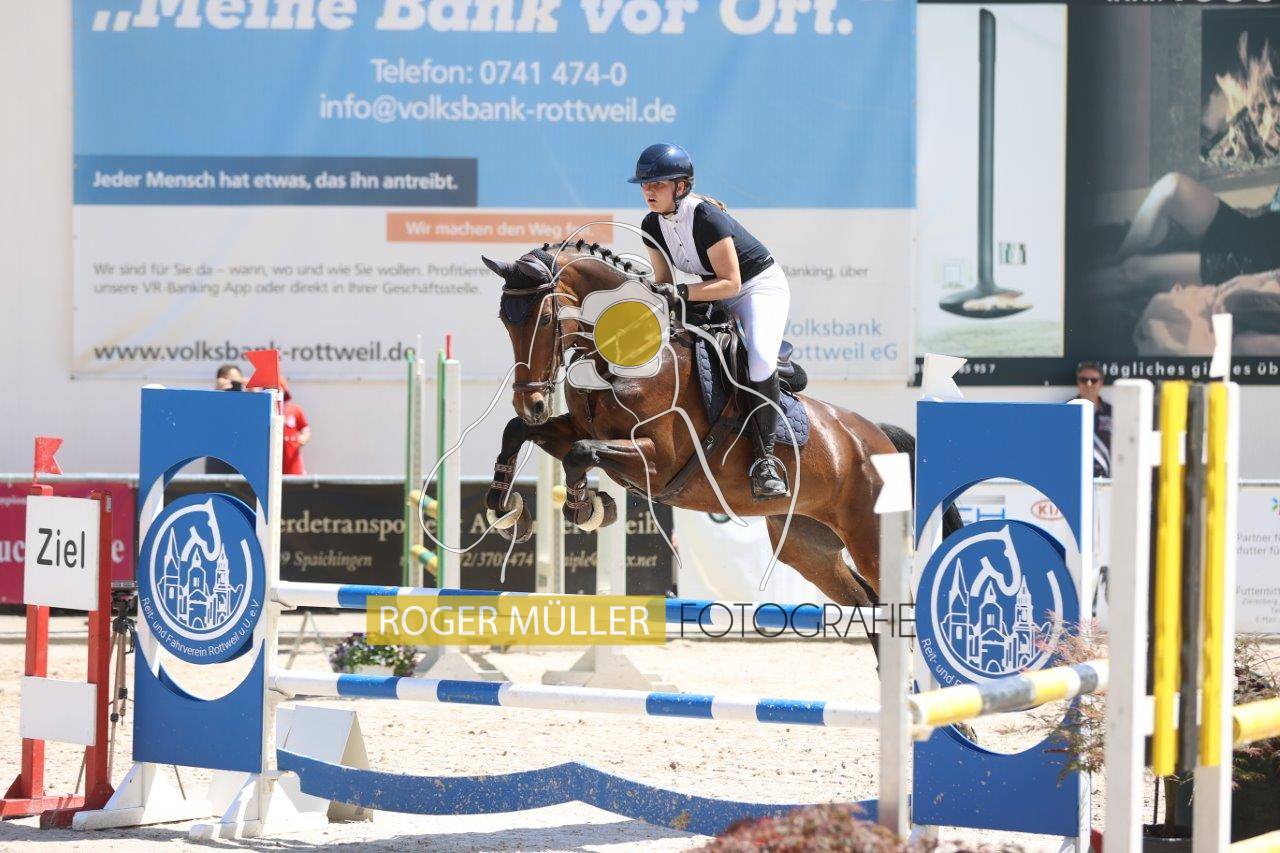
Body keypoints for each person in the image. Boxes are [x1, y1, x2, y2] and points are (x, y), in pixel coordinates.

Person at [630, 142, 791, 499]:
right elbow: (663, 281)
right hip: (710, 289)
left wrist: (680, 292)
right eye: (644, 185)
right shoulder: (650, 224)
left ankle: (766, 460)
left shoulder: (706, 218)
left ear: (681, 187)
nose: (648, 191)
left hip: (756, 287)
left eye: (657, 184)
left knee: (759, 359)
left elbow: (731, 282)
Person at [1071, 361, 1112, 478]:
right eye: (1083, 380)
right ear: (1078, 382)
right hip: (1074, 476)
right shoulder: (1067, 411)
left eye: (1094, 380)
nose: (1089, 384)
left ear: (1101, 383)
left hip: (1105, 480)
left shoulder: (1112, 413)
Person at [206, 365, 244, 474]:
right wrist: (217, 394)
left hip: (243, 460)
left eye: (237, 383)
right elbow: (205, 421)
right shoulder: (212, 402)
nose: (234, 387)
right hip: (218, 459)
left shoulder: (247, 403)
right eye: (231, 383)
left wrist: (255, 396)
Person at [279, 378, 311, 475]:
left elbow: (305, 429)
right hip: (271, 465)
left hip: (293, 466)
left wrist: (303, 438)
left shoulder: (294, 410)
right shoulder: (264, 411)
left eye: (278, 389)